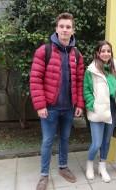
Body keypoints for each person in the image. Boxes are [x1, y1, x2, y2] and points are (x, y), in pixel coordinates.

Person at [29, 13, 84, 190]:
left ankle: (63, 167)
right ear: (56, 28)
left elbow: (80, 81)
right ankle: (44, 175)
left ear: (72, 30)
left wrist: (80, 104)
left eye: (68, 27)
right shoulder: (44, 51)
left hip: (69, 108)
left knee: (65, 139)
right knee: (47, 141)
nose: (65, 30)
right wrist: (40, 106)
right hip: (50, 108)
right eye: (62, 26)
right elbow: (35, 79)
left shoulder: (77, 54)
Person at [83, 40, 116, 182]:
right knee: (96, 143)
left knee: (106, 141)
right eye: (102, 51)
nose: (105, 53)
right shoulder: (91, 70)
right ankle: (90, 164)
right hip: (98, 109)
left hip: (113, 109)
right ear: (97, 53)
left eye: (108, 51)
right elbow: (86, 90)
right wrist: (92, 104)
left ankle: (102, 167)